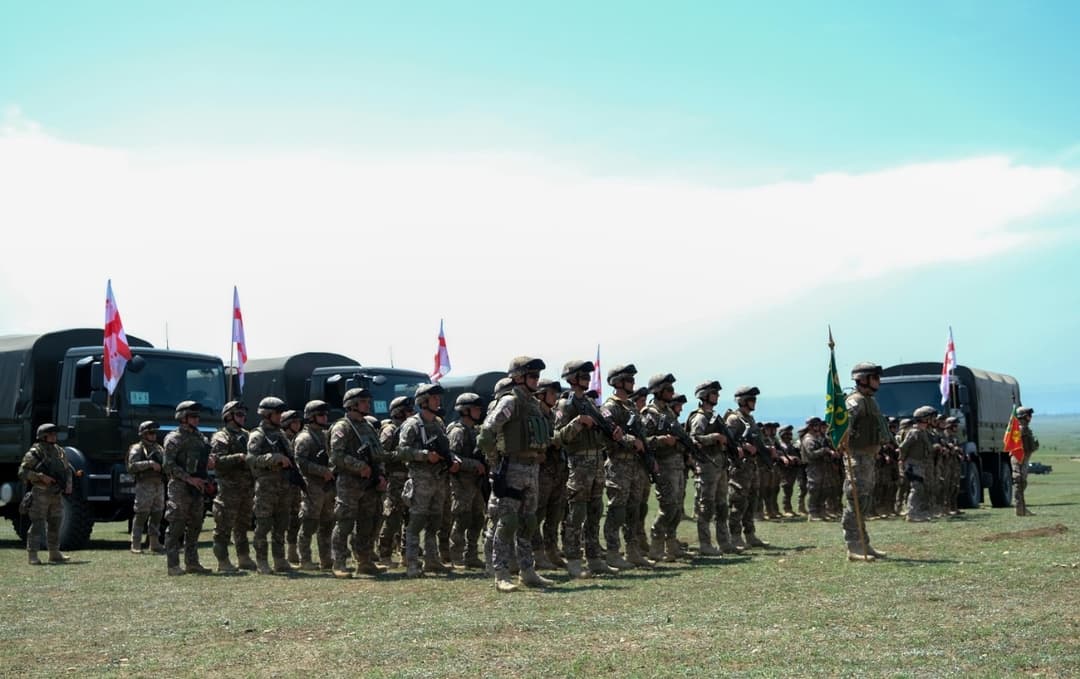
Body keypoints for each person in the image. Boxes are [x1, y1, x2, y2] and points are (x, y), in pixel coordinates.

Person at [478, 356, 555, 592]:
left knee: (529, 522)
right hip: (511, 468)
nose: (536, 380)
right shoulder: (510, 401)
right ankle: (501, 573)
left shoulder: (533, 403)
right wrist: (495, 465)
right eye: (532, 376)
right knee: (507, 521)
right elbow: (486, 433)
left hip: (532, 468)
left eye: (537, 376)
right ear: (519, 377)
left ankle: (528, 571)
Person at [553, 360, 616, 579]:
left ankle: (595, 558)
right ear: (571, 379)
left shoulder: (589, 403)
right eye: (582, 375)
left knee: (595, 512)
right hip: (579, 465)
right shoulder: (565, 406)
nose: (587, 379)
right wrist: (579, 422)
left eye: (588, 375)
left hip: (597, 462)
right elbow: (558, 438)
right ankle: (573, 560)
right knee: (576, 514)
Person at [397, 383, 459, 578]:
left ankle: (432, 560)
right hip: (421, 479)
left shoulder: (439, 423)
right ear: (423, 401)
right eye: (434, 398)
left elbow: (446, 448)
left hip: (439, 479)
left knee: (435, 521)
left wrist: (453, 459)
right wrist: (425, 455)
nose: (438, 401)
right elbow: (401, 451)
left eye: (437, 398)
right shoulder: (412, 424)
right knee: (416, 522)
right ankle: (412, 563)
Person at [328, 387, 386, 578]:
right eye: (364, 402)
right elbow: (336, 456)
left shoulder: (368, 427)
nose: (368, 405)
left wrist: (381, 475)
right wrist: (359, 465)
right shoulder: (342, 427)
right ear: (352, 404)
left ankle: (365, 561)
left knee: (367, 523)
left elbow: (378, 455)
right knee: (344, 522)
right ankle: (339, 562)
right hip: (349, 483)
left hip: (369, 483)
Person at [599, 364, 649, 570]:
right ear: (618, 382)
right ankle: (612, 552)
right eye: (629, 379)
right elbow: (610, 434)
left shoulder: (629, 407)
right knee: (617, 510)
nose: (633, 383)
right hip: (618, 464)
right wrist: (631, 441)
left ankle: (633, 550)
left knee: (633, 510)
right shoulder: (610, 407)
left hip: (635, 464)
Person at [246, 396, 300, 574]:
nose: (280, 416)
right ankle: (262, 561)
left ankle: (280, 560)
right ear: (267, 414)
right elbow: (251, 459)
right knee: (263, 525)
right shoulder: (257, 435)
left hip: (283, 486)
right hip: (266, 487)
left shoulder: (281, 435)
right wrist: (273, 458)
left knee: (281, 524)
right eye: (277, 413)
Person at [843, 362, 888, 561]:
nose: (879, 381)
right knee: (856, 502)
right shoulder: (855, 402)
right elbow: (843, 428)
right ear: (863, 380)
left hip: (868, 458)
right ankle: (854, 546)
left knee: (865, 501)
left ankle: (864, 543)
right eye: (875, 377)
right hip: (856, 458)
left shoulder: (870, 401)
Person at [163, 401, 213, 576]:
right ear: (183, 418)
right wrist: (188, 478)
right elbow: (168, 465)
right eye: (193, 416)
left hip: (198, 487)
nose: (197, 419)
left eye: (198, 416)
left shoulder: (201, 438)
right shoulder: (173, 439)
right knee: (176, 525)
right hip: (180, 487)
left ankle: (192, 563)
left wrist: (210, 463)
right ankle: (173, 564)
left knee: (195, 525)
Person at [686, 381, 736, 556]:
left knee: (722, 505)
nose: (717, 396)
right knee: (706, 506)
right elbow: (694, 439)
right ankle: (705, 544)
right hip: (707, 466)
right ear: (705, 395)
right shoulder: (699, 418)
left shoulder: (715, 417)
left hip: (719, 465)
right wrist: (714, 437)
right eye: (714, 393)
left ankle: (724, 542)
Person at [18, 423, 74, 564]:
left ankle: (54, 553)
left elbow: (67, 470)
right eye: (52, 434)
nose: (55, 436)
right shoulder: (35, 453)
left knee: (55, 523)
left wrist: (68, 484)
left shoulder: (59, 451)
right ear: (43, 436)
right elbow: (22, 472)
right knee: (37, 524)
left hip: (56, 494)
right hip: (41, 494)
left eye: (55, 434)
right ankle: (33, 555)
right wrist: (40, 477)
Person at [209, 400, 254, 572]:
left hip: (246, 487)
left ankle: (244, 557)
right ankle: (223, 560)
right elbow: (217, 461)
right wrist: (239, 457)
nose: (243, 418)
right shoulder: (221, 436)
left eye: (243, 414)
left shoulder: (247, 435)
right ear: (229, 417)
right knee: (224, 525)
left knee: (243, 525)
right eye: (239, 414)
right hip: (229, 488)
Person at [725, 386, 769, 549]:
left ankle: (750, 535)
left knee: (751, 501)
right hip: (739, 467)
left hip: (751, 466)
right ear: (742, 401)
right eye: (752, 399)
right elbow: (729, 443)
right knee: (738, 502)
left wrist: (767, 449)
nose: (754, 402)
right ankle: (735, 536)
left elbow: (758, 440)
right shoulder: (734, 419)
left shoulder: (749, 419)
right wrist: (742, 448)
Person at [447, 393, 487, 568]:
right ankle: (456, 555)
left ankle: (471, 555)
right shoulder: (457, 431)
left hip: (474, 483)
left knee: (478, 518)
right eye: (475, 408)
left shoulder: (473, 430)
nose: (479, 411)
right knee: (461, 519)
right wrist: (474, 464)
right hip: (461, 483)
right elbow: (452, 456)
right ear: (465, 411)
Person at [294, 400, 335, 570]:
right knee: (309, 523)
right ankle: (305, 559)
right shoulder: (304, 438)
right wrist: (321, 470)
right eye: (321, 414)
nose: (325, 417)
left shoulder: (324, 435)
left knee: (327, 524)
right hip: (312, 486)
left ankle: (326, 559)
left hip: (327, 486)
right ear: (311, 417)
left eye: (325, 414)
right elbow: (300, 462)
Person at [532, 378, 568, 570]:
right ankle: (537, 554)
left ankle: (551, 550)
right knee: (536, 514)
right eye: (551, 393)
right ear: (541, 395)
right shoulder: (534, 415)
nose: (555, 397)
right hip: (541, 472)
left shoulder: (553, 415)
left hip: (557, 470)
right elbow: (543, 438)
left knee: (555, 514)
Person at [376, 396, 413, 567]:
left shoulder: (410, 428)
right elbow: (381, 455)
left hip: (409, 478)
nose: (411, 413)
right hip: (395, 479)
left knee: (411, 517)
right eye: (407, 410)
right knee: (392, 517)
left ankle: (406, 554)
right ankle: (384, 554)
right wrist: (401, 455)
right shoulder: (389, 430)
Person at [127, 420, 165, 555]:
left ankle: (154, 543)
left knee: (157, 513)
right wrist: (149, 464)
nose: (153, 435)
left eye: (154, 433)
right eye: (150, 433)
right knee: (142, 513)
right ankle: (135, 543)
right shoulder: (137, 448)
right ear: (143, 434)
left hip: (158, 484)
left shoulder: (159, 449)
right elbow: (131, 466)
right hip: (144, 484)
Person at [900, 406, 937, 523]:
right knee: (916, 488)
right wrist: (902, 461)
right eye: (931, 418)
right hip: (912, 464)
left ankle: (919, 511)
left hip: (920, 464)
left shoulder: (923, 432)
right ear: (924, 419)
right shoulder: (914, 432)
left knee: (921, 488)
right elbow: (903, 447)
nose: (933, 420)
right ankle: (912, 513)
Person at [281, 409, 305, 564]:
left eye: (298, 422)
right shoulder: (281, 439)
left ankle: (292, 550)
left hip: (296, 484)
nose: (297, 425)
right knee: (283, 518)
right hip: (283, 484)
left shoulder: (299, 438)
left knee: (295, 518)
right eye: (294, 422)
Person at [1013, 406, 1039, 516]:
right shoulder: (1020, 429)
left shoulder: (1025, 429)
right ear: (1023, 417)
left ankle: (1022, 508)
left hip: (1024, 458)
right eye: (1029, 415)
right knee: (1019, 482)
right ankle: (1020, 509)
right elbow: (1018, 444)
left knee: (1022, 483)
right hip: (1019, 458)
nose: (1030, 418)